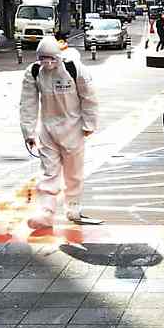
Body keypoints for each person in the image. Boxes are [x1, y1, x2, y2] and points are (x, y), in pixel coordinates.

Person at [21, 36, 99, 229]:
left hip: (73, 128)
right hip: (47, 130)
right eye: (43, 59)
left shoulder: (75, 69)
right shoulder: (34, 72)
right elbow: (28, 103)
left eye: (51, 58)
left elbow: (89, 98)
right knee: (48, 172)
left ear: (59, 56)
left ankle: (73, 206)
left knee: (73, 173)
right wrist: (28, 132)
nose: (47, 63)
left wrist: (89, 125)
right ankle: (46, 212)